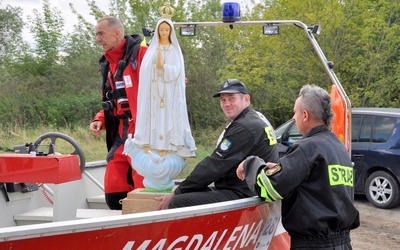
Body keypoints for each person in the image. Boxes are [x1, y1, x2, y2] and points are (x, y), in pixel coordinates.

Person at [236, 84, 360, 249]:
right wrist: (281, 168)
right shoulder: (338, 148)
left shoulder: (306, 148)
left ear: (305, 115)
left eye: (295, 112)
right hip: (343, 244)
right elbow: (319, 186)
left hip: (313, 246)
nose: (293, 118)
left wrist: (251, 163)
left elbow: (269, 187)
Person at [156, 79, 279, 209]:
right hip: (252, 189)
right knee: (193, 191)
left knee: (179, 201)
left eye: (232, 99)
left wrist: (177, 191)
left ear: (246, 99)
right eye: (223, 100)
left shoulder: (244, 127)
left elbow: (214, 165)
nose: (226, 104)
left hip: (245, 193)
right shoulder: (252, 119)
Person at [89, 16, 147, 210]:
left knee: (143, 191)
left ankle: (145, 230)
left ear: (117, 33)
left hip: (143, 134)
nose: (97, 39)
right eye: (96, 34)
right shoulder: (107, 64)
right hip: (121, 134)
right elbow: (114, 102)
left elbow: (167, 79)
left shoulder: (142, 54)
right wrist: (100, 119)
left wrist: (177, 80)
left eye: (100, 33)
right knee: (114, 192)